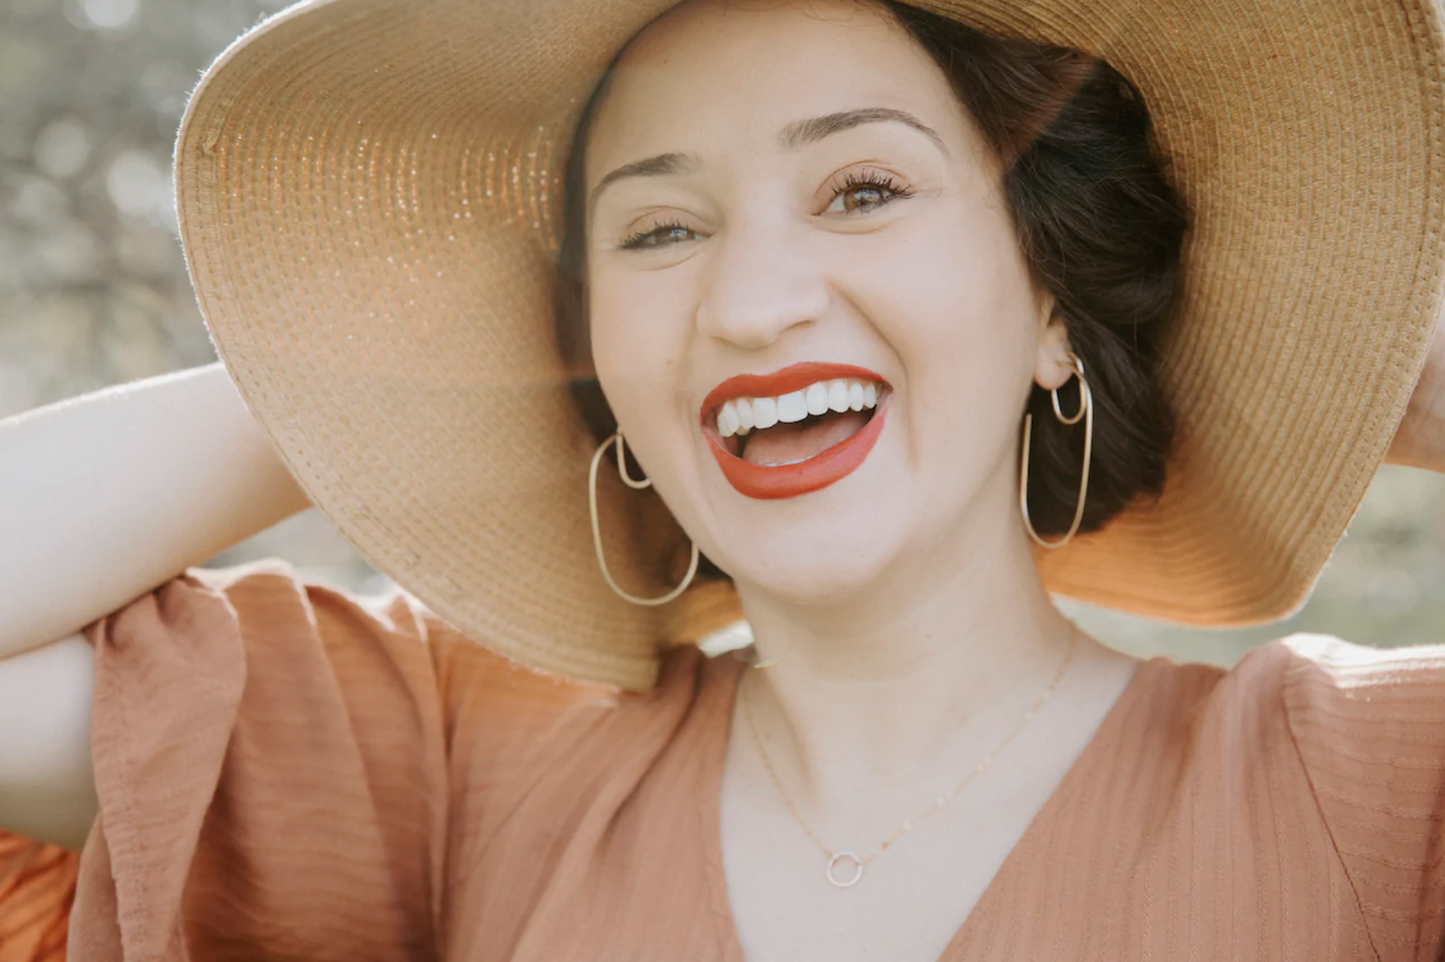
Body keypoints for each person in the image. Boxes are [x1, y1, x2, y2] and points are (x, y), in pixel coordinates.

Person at [3, 0, 1445, 958]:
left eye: (864, 190)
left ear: (1053, 298)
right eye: (659, 231)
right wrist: (383, 377)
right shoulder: (472, 764)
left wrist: (1360, 339)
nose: (752, 302)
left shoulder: (1371, 789)